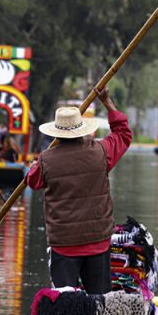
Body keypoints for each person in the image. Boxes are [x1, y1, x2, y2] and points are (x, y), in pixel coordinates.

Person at [25, 88, 132, 294]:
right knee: (99, 301)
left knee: (66, 302)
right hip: (97, 242)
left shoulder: (46, 160)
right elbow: (123, 134)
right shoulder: (100, 152)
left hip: (64, 245)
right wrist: (108, 102)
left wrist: (34, 165)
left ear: (57, 132)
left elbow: (33, 181)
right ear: (81, 130)